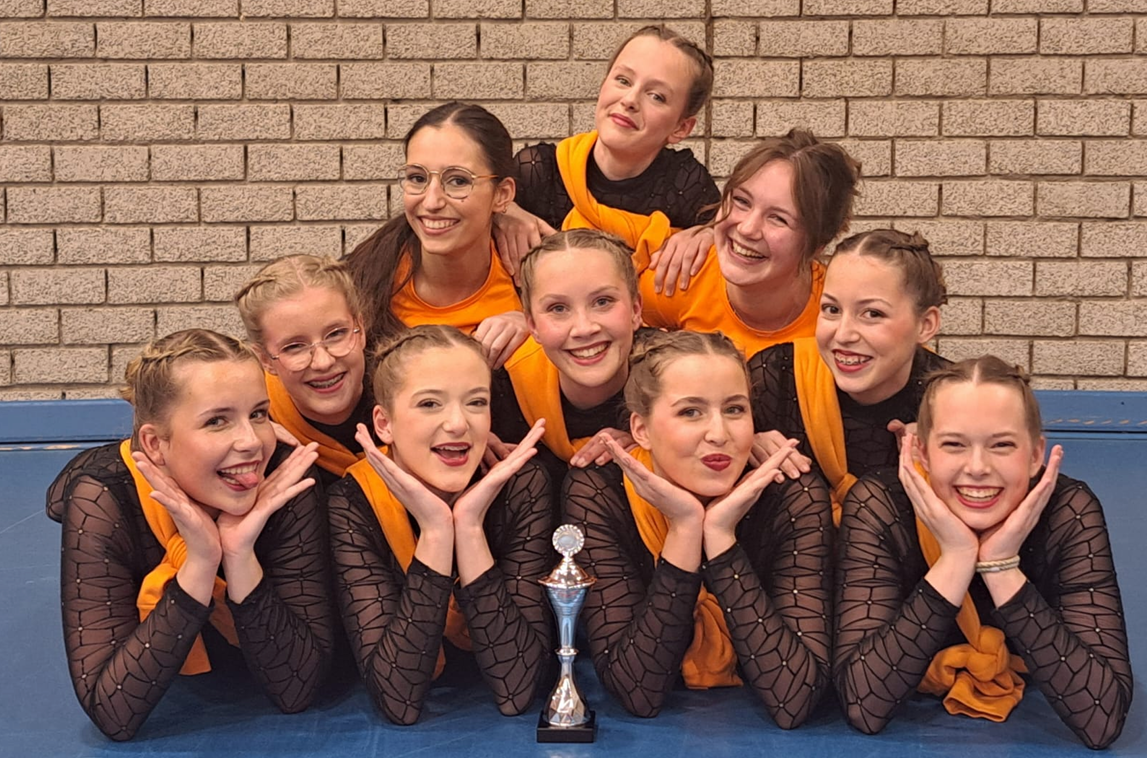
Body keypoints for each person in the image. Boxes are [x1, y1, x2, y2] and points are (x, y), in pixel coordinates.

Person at [45, 329, 333, 741]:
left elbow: (296, 689)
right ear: (154, 444)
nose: (251, 442)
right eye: (217, 421)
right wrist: (200, 563)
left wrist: (238, 554)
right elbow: (113, 714)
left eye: (259, 414)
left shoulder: (285, 481)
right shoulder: (102, 500)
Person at [834, 356, 1132, 749]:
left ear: (1035, 455)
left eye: (1002, 445)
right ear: (922, 453)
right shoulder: (881, 506)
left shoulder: (1068, 511)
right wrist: (956, 557)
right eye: (954, 444)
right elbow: (864, 705)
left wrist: (1001, 566)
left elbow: (1102, 719)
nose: (977, 467)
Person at [563, 330, 833, 727]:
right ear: (641, 429)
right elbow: (637, 692)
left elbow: (794, 700)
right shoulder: (600, 490)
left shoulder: (791, 493)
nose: (719, 434)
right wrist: (686, 528)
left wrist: (721, 538)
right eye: (691, 412)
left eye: (735, 409)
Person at [326, 325, 554, 724]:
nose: (458, 424)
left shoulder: (520, 485)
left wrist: (468, 528)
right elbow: (397, 701)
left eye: (476, 402)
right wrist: (435, 531)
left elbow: (518, 691)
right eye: (430, 404)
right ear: (384, 423)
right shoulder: (354, 500)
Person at [498, 24, 720, 294]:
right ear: (603, 85)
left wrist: (709, 235)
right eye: (623, 80)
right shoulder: (538, 170)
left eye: (656, 96)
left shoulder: (686, 185)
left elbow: (730, 237)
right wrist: (501, 211)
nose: (630, 100)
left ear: (681, 128)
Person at [749, 229, 949, 524]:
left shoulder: (953, 403)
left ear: (926, 325)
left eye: (872, 314)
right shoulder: (776, 377)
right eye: (831, 309)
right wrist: (743, 442)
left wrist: (946, 462)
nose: (843, 334)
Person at [641, 129, 860, 359]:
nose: (747, 229)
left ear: (818, 245)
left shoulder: (837, 320)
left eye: (778, 219)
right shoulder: (679, 273)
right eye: (741, 201)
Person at [343, 102, 526, 369]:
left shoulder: (530, 282)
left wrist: (537, 325)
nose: (431, 202)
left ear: (502, 194)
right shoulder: (359, 283)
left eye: (458, 181)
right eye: (417, 178)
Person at [491, 229, 643, 476]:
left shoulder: (674, 378)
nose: (584, 328)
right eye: (558, 308)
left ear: (636, 310)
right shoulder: (498, 392)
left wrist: (652, 449)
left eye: (603, 302)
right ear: (532, 325)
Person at [236, 254, 370, 484]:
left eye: (336, 334)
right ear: (265, 359)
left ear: (361, 329)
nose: (323, 362)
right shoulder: (250, 442)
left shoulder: (408, 401)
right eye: (294, 347)